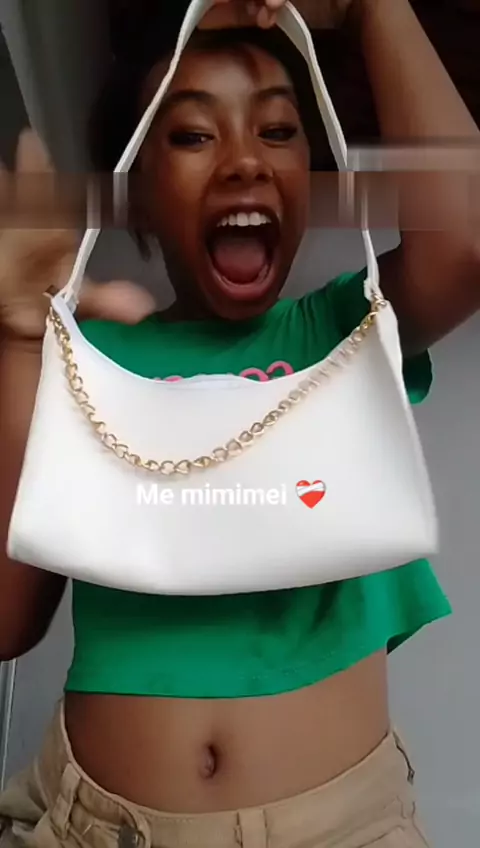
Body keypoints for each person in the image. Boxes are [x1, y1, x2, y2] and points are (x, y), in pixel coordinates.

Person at [0, 0, 479, 846]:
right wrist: (17, 337)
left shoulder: (345, 334)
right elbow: (8, 623)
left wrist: (371, 7)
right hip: (94, 828)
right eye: (192, 135)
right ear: (139, 196)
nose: (245, 161)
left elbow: (466, 245)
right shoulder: (87, 363)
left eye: (279, 130)